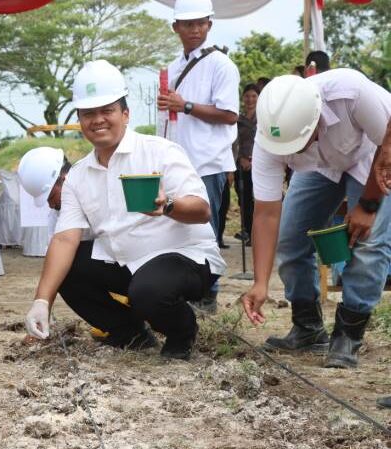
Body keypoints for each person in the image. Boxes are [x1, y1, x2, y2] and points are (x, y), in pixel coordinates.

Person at [24, 60, 226, 360]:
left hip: (184, 256)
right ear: (80, 119)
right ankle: (130, 334)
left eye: (107, 110)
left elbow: (202, 211)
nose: (98, 120)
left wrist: (168, 205)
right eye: (89, 113)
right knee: (67, 268)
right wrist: (42, 301)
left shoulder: (160, 151)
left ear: (125, 114)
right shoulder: (79, 175)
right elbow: (65, 238)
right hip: (126, 260)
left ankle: (182, 330)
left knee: (147, 290)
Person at [242, 70, 391, 369]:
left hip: (375, 154)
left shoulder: (352, 94)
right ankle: (308, 326)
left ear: (315, 121)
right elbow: (266, 213)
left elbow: (388, 148)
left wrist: (368, 204)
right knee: (291, 237)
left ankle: (348, 334)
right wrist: (260, 283)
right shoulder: (271, 137)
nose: (291, 152)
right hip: (320, 167)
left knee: (368, 241)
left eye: (298, 142)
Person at [157, 0, 239, 311]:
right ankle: (188, 289)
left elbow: (230, 114)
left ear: (209, 24)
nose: (195, 29)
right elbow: (166, 117)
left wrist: (186, 105)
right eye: (188, 24)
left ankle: (209, 293)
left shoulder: (222, 65)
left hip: (208, 160)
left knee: (209, 227)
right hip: (178, 160)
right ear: (175, 27)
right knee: (179, 227)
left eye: (201, 23)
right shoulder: (173, 67)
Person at [233, 83, 260, 245]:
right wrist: (241, 158)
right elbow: (234, 142)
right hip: (240, 165)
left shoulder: (264, 117)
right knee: (244, 201)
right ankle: (248, 232)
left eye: (254, 96)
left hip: (259, 164)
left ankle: (259, 234)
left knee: (259, 201)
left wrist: (253, 159)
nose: (250, 100)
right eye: (247, 96)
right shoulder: (237, 119)